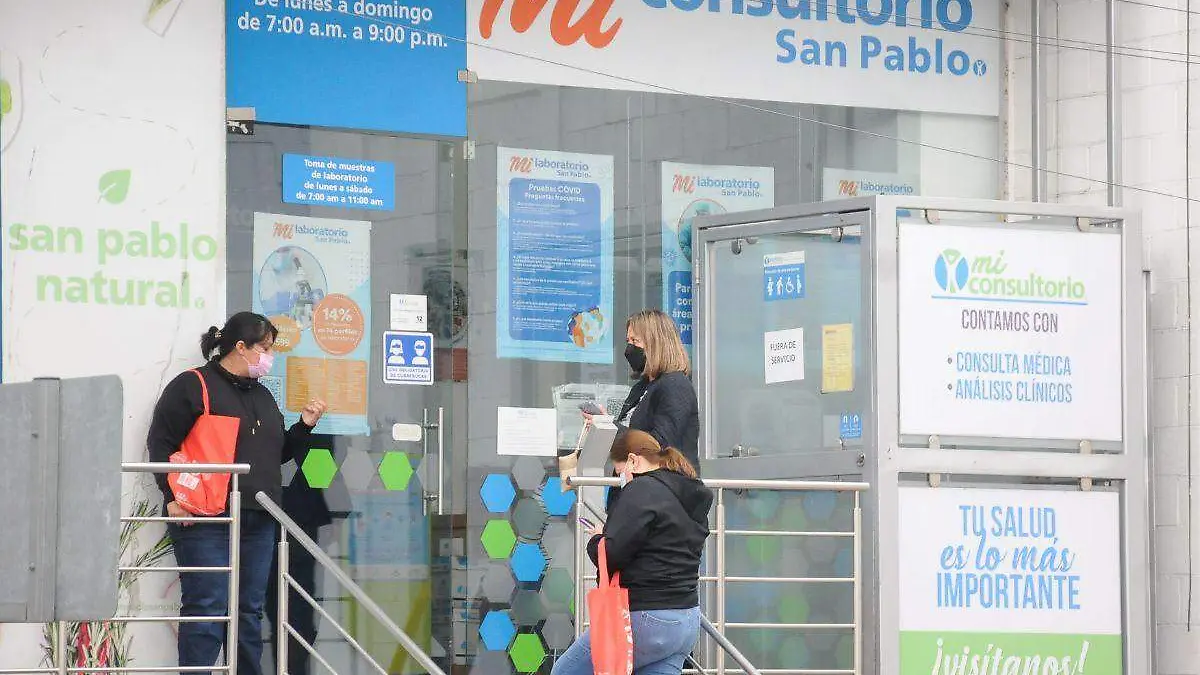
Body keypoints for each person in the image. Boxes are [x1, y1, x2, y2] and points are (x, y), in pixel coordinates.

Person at [147, 312, 328, 675]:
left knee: (248, 609)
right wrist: (170, 495)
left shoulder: (262, 395)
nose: (268, 356)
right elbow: (161, 442)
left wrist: (304, 427)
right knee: (207, 604)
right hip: (207, 517)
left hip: (258, 518)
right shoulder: (193, 385)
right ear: (240, 347)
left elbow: (275, 454)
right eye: (264, 348)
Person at [551, 430, 713, 675]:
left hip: (645, 617)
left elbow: (613, 553)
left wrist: (596, 539)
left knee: (564, 671)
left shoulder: (641, 489)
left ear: (633, 460)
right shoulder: (692, 492)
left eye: (620, 471)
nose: (621, 479)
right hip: (686, 620)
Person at [588, 309, 699, 511]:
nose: (629, 348)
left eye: (635, 341)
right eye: (628, 340)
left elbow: (659, 444)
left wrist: (611, 427)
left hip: (664, 503)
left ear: (656, 343)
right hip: (635, 497)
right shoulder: (641, 387)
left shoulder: (675, 385)